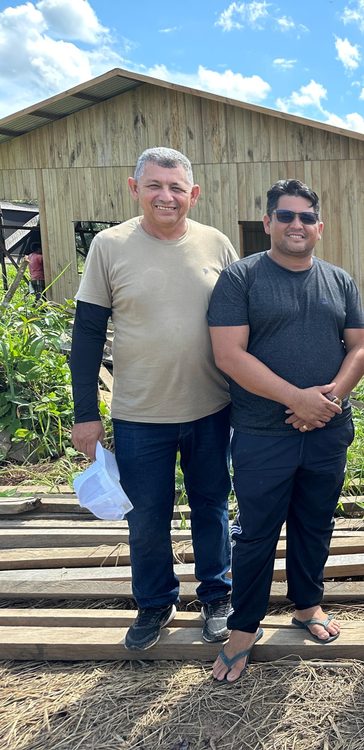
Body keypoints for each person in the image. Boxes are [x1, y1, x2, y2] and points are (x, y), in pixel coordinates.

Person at [70, 147, 237, 650]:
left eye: (177, 188)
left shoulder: (216, 244)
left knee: (212, 506)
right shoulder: (109, 245)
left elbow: (240, 326)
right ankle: (155, 603)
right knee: (146, 516)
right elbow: (87, 335)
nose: (166, 196)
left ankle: (216, 598)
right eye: (155, 186)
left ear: (194, 194)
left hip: (211, 408)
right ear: (134, 187)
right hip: (141, 414)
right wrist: (85, 415)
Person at [207, 179, 364, 682]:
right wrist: (296, 399)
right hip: (262, 431)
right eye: (285, 216)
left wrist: (329, 400)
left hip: (326, 430)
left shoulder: (340, 281)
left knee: (314, 523)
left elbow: (361, 348)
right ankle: (244, 627)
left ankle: (307, 605)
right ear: (268, 222)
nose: (295, 225)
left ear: (319, 228)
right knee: (256, 533)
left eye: (305, 218)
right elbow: (228, 354)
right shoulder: (241, 278)